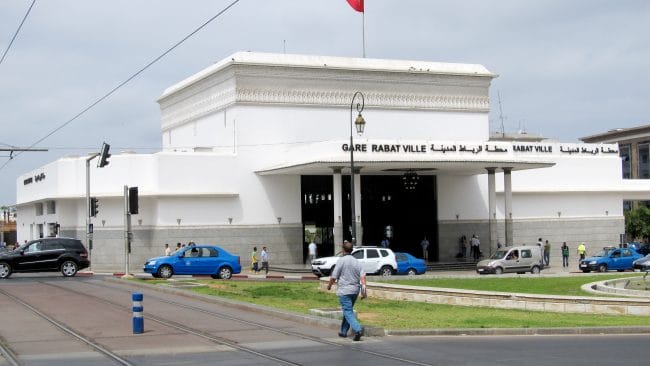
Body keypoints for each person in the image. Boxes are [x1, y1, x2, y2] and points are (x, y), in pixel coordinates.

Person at [327, 240, 366, 341]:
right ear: (352, 250)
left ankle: (358, 329)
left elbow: (334, 276)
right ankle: (343, 332)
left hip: (344, 291)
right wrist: (364, 291)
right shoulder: (357, 262)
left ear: (343, 250)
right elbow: (363, 277)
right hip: (355, 291)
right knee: (347, 310)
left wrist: (329, 285)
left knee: (347, 311)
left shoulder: (341, 261)